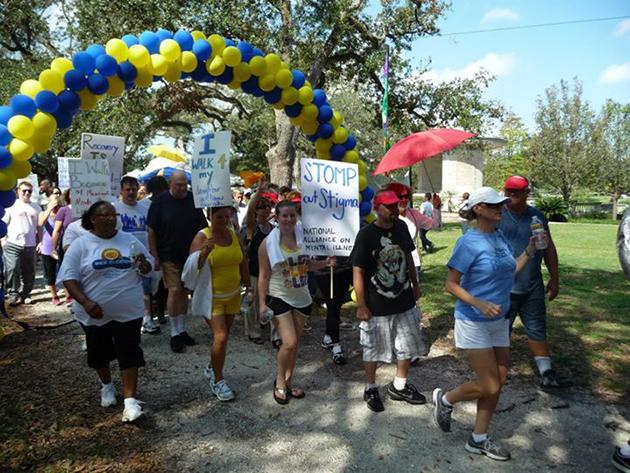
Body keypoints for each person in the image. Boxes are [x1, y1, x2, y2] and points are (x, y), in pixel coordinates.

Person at [433, 186, 537, 462]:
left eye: (501, 204)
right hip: (473, 320)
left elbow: (509, 269)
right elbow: (450, 284)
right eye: (492, 205)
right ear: (478, 209)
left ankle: (477, 439)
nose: (499, 207)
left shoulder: (499, 237)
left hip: (498, 320)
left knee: (499, 380)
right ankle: (445, 400)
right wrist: (478, 302)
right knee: (490, 385)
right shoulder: (469, 242)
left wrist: (529, 250)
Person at [56, 201, 152, 423]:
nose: (110, 218)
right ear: (93, 219)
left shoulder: (129, 240)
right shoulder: (81, 245)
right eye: (104, 215)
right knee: (99, 353)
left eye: (113, 214)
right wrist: (86, 302)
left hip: (128, 311)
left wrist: (144, 265)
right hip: (94, 313)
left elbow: (146, 267)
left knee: (129, 350)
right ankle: (107, 386)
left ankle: (130, 402)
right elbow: (68, 278)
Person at [352, 190, 425, 413]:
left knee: (406, 345)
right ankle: (371, 387)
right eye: (389, 206)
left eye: (396, 205)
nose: (395, 209)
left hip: (404, 300)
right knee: (373, 348)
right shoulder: (366, 234)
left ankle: (399, 386)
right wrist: (362, 304)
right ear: (377, 208)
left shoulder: (402, 227)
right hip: (377, 305)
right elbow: (358, 270)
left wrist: (415, 284)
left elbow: (409, 258)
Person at [258, 200, 332, 404]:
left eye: (292, 215)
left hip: (302, 297)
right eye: (284, 216)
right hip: (278, 296)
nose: (289, 219)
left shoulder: (305, 238)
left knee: (295, 344)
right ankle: (280, 383)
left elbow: (308, 266)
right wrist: (262, 304)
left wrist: (325, 263)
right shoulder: (268, 244)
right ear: (277, 217)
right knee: (288, 342)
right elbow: (263, 276)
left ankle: (289, 383)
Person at [498, 175, 562, 388]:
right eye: (509, 190)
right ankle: (497, 373)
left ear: (527, 193)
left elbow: (548, 247)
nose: (512, 195)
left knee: (537, 328)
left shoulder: (537, 217)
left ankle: (546, 371)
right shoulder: (497, 215)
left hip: (531, 284)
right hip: (503, 287)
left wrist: (554, 277)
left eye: (517, 191)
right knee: (500, 330)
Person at [189, 206, 251, 401]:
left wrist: (249, 287)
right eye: (219, 216)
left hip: (233, 295)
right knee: (221, 337)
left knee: (223, 338)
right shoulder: (202, 237)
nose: (224, 220)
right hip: (211, 297)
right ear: (209, 216)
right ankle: (218, 380)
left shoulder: (234, 235)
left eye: (227, 216)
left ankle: (212, 366)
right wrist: (204, 252)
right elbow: (190, 271)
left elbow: (243, 262)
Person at [147, 171, 207, 353]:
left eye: (184, 185)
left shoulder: (193, 199)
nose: (182, 188)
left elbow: (203, 227)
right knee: (174, 291)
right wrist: (155, 255)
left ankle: (181, 329)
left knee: (184, 292)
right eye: (178, 185)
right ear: (170, 184)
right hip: (168, 255)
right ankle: (174, 333)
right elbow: (151, 230)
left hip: (189, 255)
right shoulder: (159, 202)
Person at [114, 176, 158, 335]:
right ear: (121, 191)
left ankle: (147, 319)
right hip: (123, 257)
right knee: (125, 290)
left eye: (134, 189)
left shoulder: (146, 207)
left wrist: (154, 253)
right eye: (128, 189)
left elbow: (152, 231)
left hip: (144, 255)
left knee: (145, 290)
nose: (131, 192)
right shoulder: (115, 209)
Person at [241, 190, 276, 345]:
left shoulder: (274, 228)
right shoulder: (252, 227)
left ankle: (276, 335)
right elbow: (249, 212)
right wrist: (259, 192)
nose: (266, 209)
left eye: (268, 206)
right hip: (254, 271)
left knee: (273, 301)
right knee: (253, 302)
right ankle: (253, 331)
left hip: (271, 272)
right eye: (262, 207)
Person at [2, 181, 41, 305]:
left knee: (29, 271)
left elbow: (40, 227)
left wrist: (40, 241)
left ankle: (25, 294)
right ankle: (13, 294)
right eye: (24, 190)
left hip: (30, 245)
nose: (27, 193)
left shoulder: (36, 207)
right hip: (13, 243)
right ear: (18, 191)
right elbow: (3, 224)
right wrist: (3, 241)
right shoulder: (11, 206)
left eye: (29, 191)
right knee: (12, 269)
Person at [385, 183, 433, 279]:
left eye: (407, 196)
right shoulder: (385, 218)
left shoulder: (414, 214)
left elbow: (434, 224)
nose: (404, 199)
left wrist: (436, 207)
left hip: (411, 261)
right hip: (390, 264)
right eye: (400, 196)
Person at [145, 176, 169, 324]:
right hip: (163, 247)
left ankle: (151, 313)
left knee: (150, 284)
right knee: (162, 285)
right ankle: (160, 312)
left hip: (148, 247)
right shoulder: (166, 203)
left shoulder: (144, 204)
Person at [38, 188, 63, 305]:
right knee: (50, 273)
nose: (55, 206)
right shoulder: (43, 213)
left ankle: (68, 294)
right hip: (47, 248)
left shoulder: (62, 213)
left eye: (57, 204)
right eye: (53, 203)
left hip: (61, 246)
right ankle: (54, 295)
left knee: (64, 271)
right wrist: (49, 209)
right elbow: (40, 223)